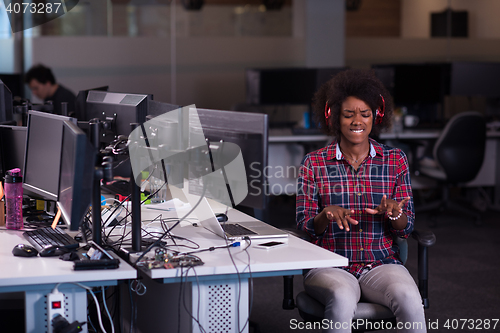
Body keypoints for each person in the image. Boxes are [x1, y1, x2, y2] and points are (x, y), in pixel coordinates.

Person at [296, 69, 426, 333]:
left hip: (380, 262)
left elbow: (406, 226)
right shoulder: (314, 163)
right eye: (348, 114)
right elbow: (305, 226)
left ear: (376, 116)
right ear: (332, 117)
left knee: (410, 299)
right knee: (342, 298)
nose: (358, 121)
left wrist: (393, 213)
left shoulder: (395, 160)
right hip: (329, 264)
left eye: (365, 114)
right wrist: (325, 214)